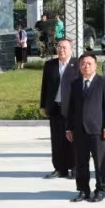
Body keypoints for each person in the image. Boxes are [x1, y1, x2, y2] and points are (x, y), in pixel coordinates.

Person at [65, 52, 105, 202]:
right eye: (83, 64)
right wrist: (69, 128)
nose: (85, 66)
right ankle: (83, 190)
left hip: (97, 129)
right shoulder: (75, 83)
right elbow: (71, 108)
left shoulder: (103, 82)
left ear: (95, 66)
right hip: (79, 130)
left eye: (89, 63)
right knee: (81, 162)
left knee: (99, 161)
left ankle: (101, 188)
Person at [40, 38, 79, 179]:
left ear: (71, 50)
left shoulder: (78, 64)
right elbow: (45, 86)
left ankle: (75, 167)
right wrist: (44, 105)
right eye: (59, 47)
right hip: (55, 107)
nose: (61, 50)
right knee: (57, 140)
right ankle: (59, 168)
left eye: (64, 47)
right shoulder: (50, 65)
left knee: (73, 139)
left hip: (72, 109)